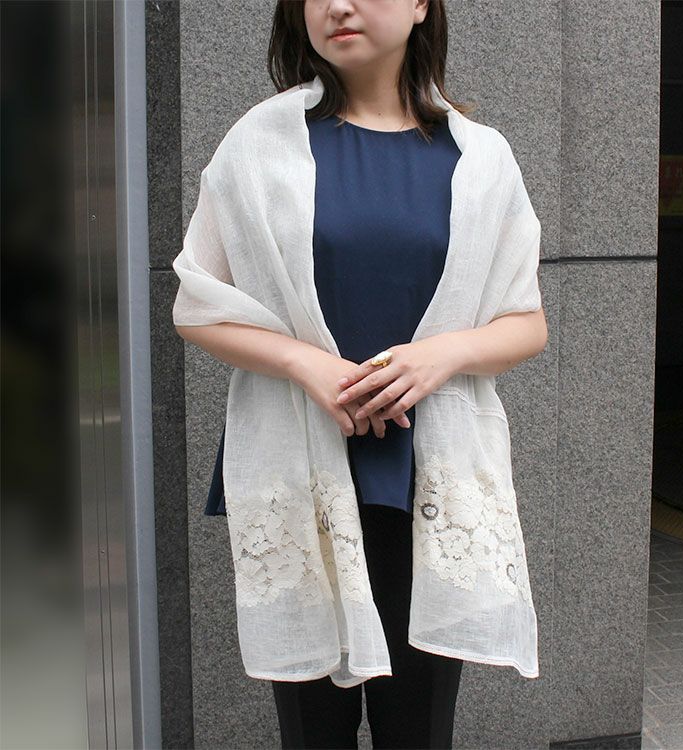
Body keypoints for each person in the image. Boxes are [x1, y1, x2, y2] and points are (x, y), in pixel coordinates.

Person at [175, 1, 548, 748]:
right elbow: (198, 304)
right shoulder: (259, 145)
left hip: (427, 480)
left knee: (419, 728)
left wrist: (441, 355)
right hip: (302, 470)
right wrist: (306, 363)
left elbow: (525, 322)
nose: (337, 6)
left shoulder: (481, 158)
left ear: (420, 6)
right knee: (312, 731)